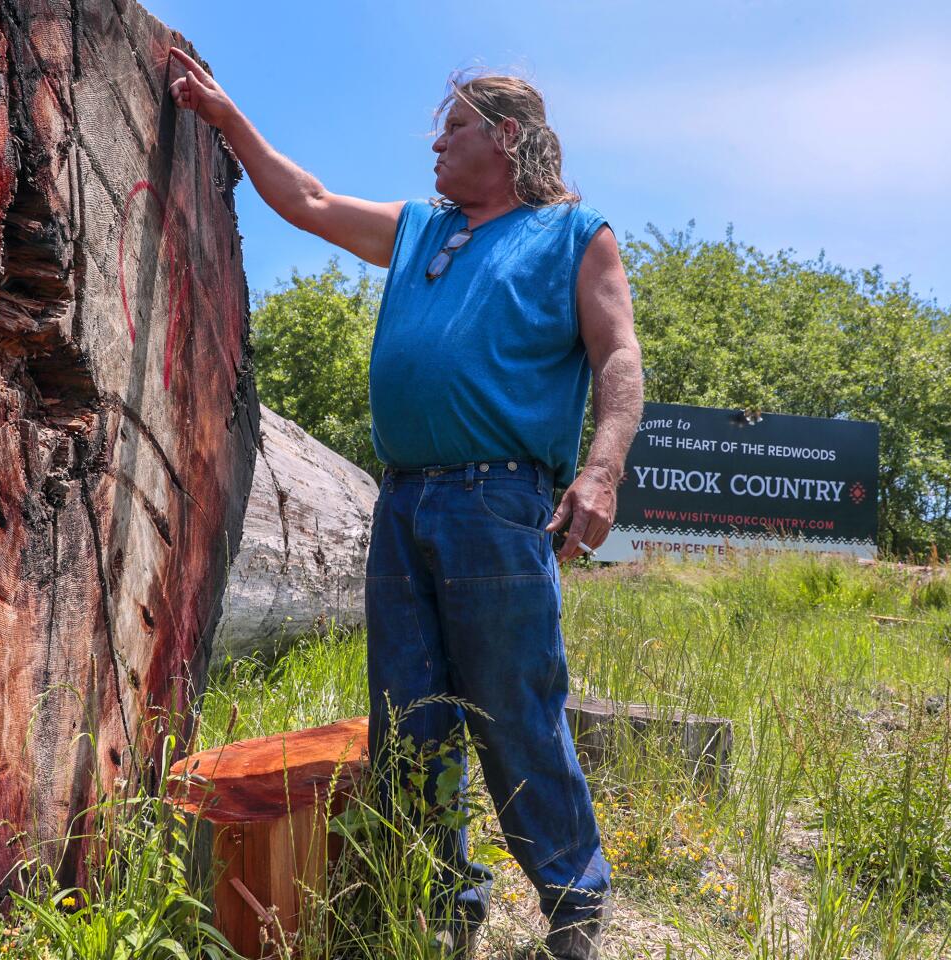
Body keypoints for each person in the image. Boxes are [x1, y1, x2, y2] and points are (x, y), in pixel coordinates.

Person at [169, 47, 644, 960]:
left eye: (453, 128)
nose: (435, 146)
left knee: (515, 709)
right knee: (408, 716)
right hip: (405, 507)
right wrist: (228, 120)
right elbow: (306, 202)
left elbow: (618, 357)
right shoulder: (423, 229)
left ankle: (574, 914)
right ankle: (441, 906)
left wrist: (602, 469)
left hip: (498, 504)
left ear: (505, 138)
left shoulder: (575, 235)